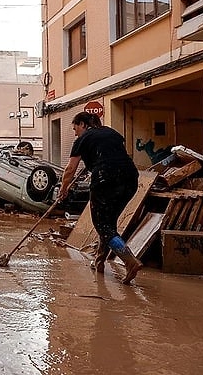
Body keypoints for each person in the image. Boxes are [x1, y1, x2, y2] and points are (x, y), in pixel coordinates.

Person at [57, 112, 142, 284]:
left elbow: (70, 169)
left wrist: (63, 188)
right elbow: (113, 154)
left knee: (102, 224)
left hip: (105, 179)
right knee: (108, 223)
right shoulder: (112, 133)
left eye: (75, 128)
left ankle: (129, 261)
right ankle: (99, 261)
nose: (75, 133)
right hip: (130, 179)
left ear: (82, 124)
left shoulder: (83, 138)